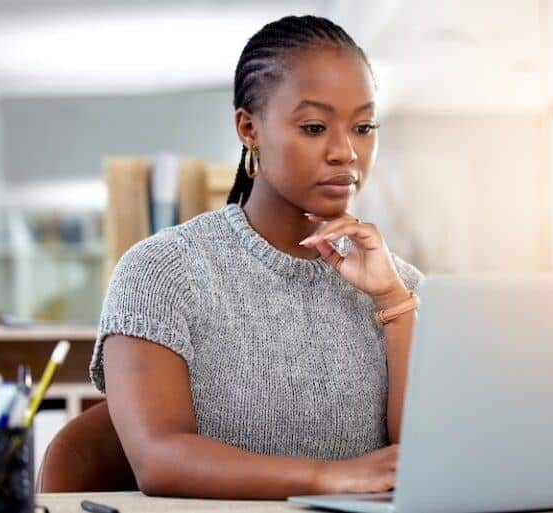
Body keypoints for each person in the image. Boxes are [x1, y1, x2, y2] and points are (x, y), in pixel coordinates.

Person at [89, 14, 425, 499]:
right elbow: (159, 459)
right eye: (314, 127)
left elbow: (426, 462)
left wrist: (395, 303)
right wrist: (327, 478)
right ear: (249, 128)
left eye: (364, 126)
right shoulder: (161, 271)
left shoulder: (403, 285)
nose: (346, 152)